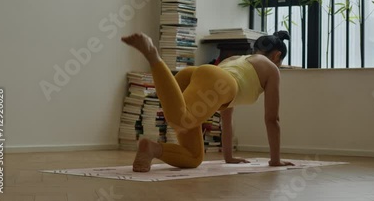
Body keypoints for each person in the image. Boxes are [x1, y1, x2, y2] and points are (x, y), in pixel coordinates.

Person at [121, 31, 294, 172]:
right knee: (181, 119)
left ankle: (151, 148)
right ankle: (153, 57)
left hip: (197, 74)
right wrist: (275, 160)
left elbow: (227, 117)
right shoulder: (271, 69)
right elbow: (272, 119)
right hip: (216, 81)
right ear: (277, 55)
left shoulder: (236, 60)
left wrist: (229, 157)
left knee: (193, 156)